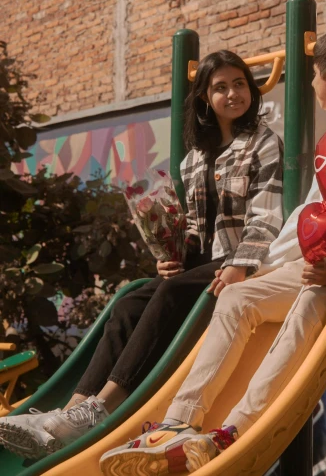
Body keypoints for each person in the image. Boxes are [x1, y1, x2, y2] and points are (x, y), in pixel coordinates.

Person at [98, 27, 326, 475]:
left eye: (314, 74)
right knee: (238, 298)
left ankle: (233, 430)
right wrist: (259, 268)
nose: (311, 85)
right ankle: (178, 425)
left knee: (313, 299)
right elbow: (306, 218)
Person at [0, 50, 284, 460]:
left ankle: (103, 406)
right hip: (204, 266)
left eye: (239, 83)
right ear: (205, 97)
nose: (233, 93)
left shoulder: (263, 143)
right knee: (130, 300)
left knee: (169, 294)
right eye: (220, 87)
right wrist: (171, 256)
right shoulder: (194, 160)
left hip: (242, 263)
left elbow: (267, 215)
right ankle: (67, 414)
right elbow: (194, 230)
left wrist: (241, 264)